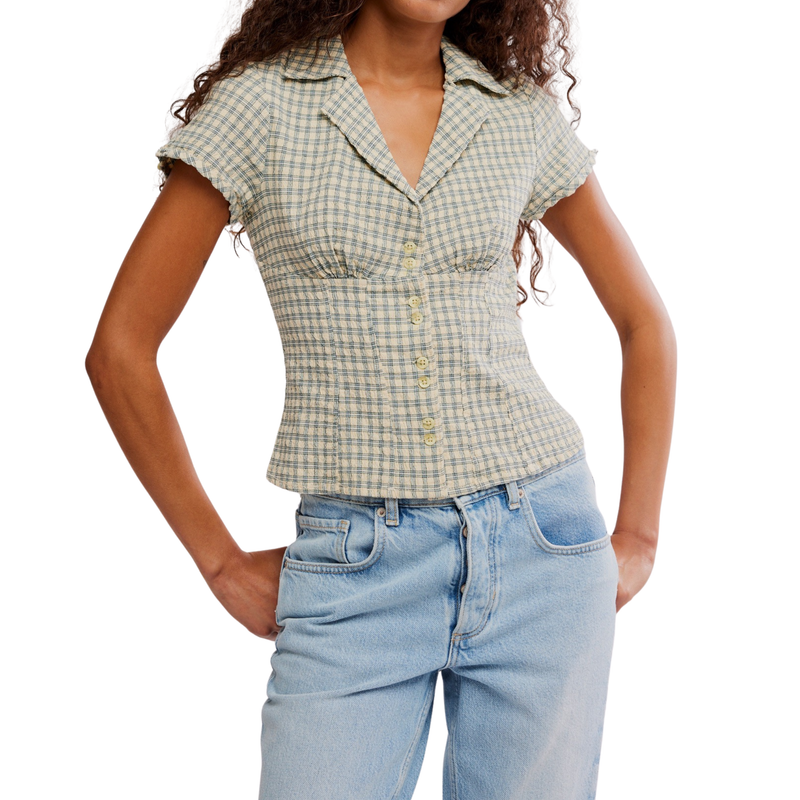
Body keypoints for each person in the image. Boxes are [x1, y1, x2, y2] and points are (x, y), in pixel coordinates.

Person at [86, 1, 677, 797]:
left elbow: (644, 323)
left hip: (541, 545)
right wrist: (219, 562)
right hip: (358, 564)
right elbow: (120, 350)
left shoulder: (514, 113)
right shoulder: (258, 108)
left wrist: (639, 532)